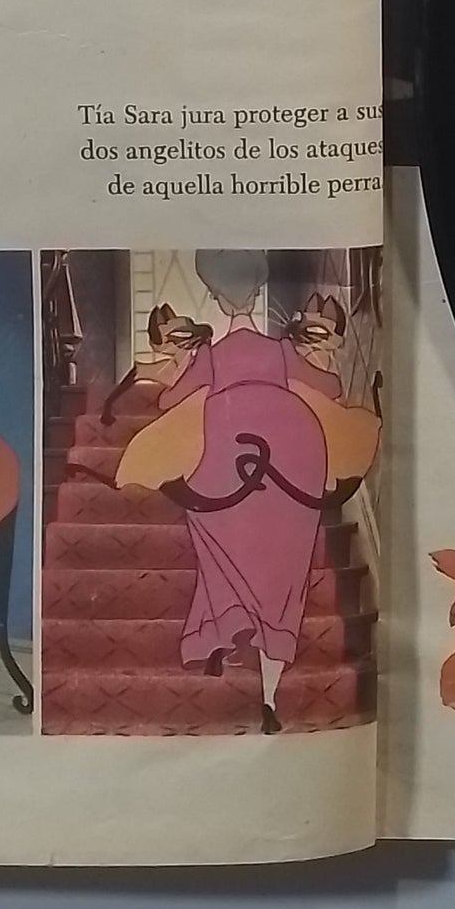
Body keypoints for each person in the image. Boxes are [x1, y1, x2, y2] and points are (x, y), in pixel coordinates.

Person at [149, 250, 337, 732]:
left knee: (221, 550)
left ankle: (227, 630)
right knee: (284, 570)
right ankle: (269, 693)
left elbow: (168, 400)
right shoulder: (281, 351)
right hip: (296, 450)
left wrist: (178, 365)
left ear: (214, 295)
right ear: (258, 292)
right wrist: (317, 358)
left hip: (224, 454)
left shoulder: (209, 357)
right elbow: (331, 387)